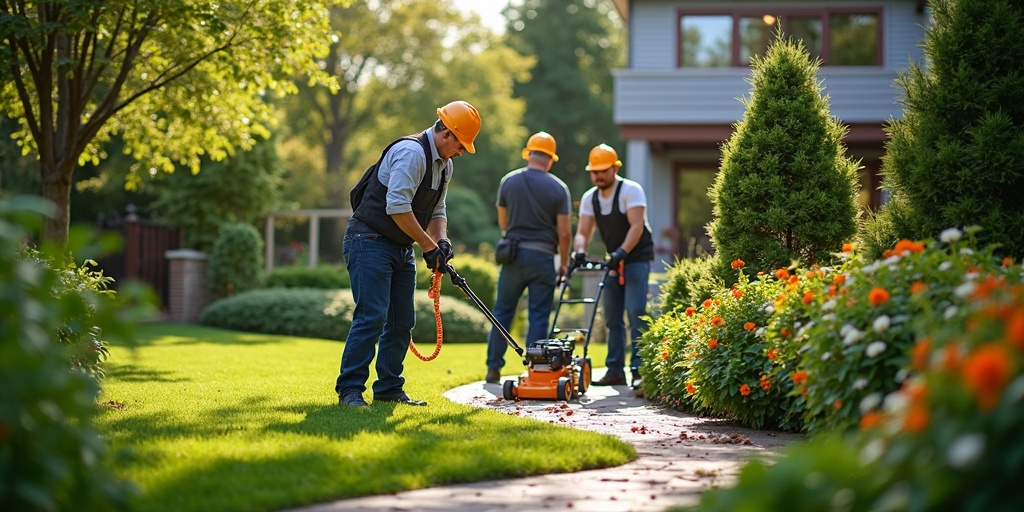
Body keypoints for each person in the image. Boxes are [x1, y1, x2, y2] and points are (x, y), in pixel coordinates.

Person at [335, 100, 481, 407]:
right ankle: (350, 390)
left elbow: (437, 209)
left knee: (402, 322)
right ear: (446, 133)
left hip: (400, 247)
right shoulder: (411, 153)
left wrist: (441, 242)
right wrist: (427, 245)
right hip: (369, 239)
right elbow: (397, 206)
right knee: (371, 316)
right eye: (461, 145)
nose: (461, 152)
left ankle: (388, 389)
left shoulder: (445, 164)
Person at [485, 132, 572, 384]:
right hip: (543, 258)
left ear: (528, 154)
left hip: (513, 256)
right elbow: (564, 233)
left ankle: (493, 368)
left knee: (502, 311)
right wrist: (563, 262)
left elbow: (503, 223)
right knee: (538, 315)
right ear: (550, 160)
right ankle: (537, 371)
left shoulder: (508, 182)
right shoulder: (559, 188)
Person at [572, 144, 653, 388]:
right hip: (613, 262)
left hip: (636, 259)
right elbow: (583, 232)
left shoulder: (631, 190)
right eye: (593, 171)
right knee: (612, 318)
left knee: (635, 312)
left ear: (615, 168)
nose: (597, 176)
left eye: (602, 171)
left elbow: (637, 227)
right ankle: (615, 370)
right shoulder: (590, 197)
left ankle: (639, 370)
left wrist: (621, 252)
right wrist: (579, 251)